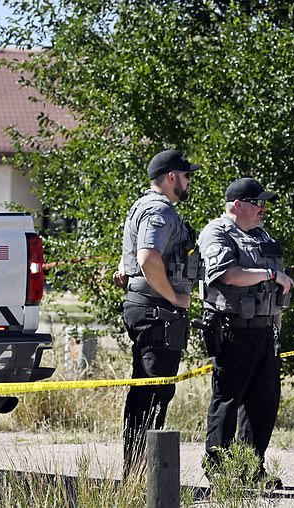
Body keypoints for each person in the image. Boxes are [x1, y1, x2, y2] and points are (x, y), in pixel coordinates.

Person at [197, 177, 294, 487]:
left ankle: (251, 468)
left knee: (263, 402)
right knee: (227, 401)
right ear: (238, 205)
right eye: (258, 203)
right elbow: (227, 274)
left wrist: (277, 327)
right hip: (232, 329)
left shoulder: (262, 236)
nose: (263, 209)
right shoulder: (217, 232)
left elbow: (275, 291)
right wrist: (270, 273)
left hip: (265, 331)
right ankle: (220, 470)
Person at [113, 149, 201, 474]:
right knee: (154, 395)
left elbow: (131, 259)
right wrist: (175, 298)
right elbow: (148, 257)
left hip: (145, 309)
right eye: (187, 176)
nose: (189, 182)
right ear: (172, 177)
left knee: (144, 393)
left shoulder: (141, 206)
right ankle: (146, 482)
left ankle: (136, 475)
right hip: (157, 313)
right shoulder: (160, 210)